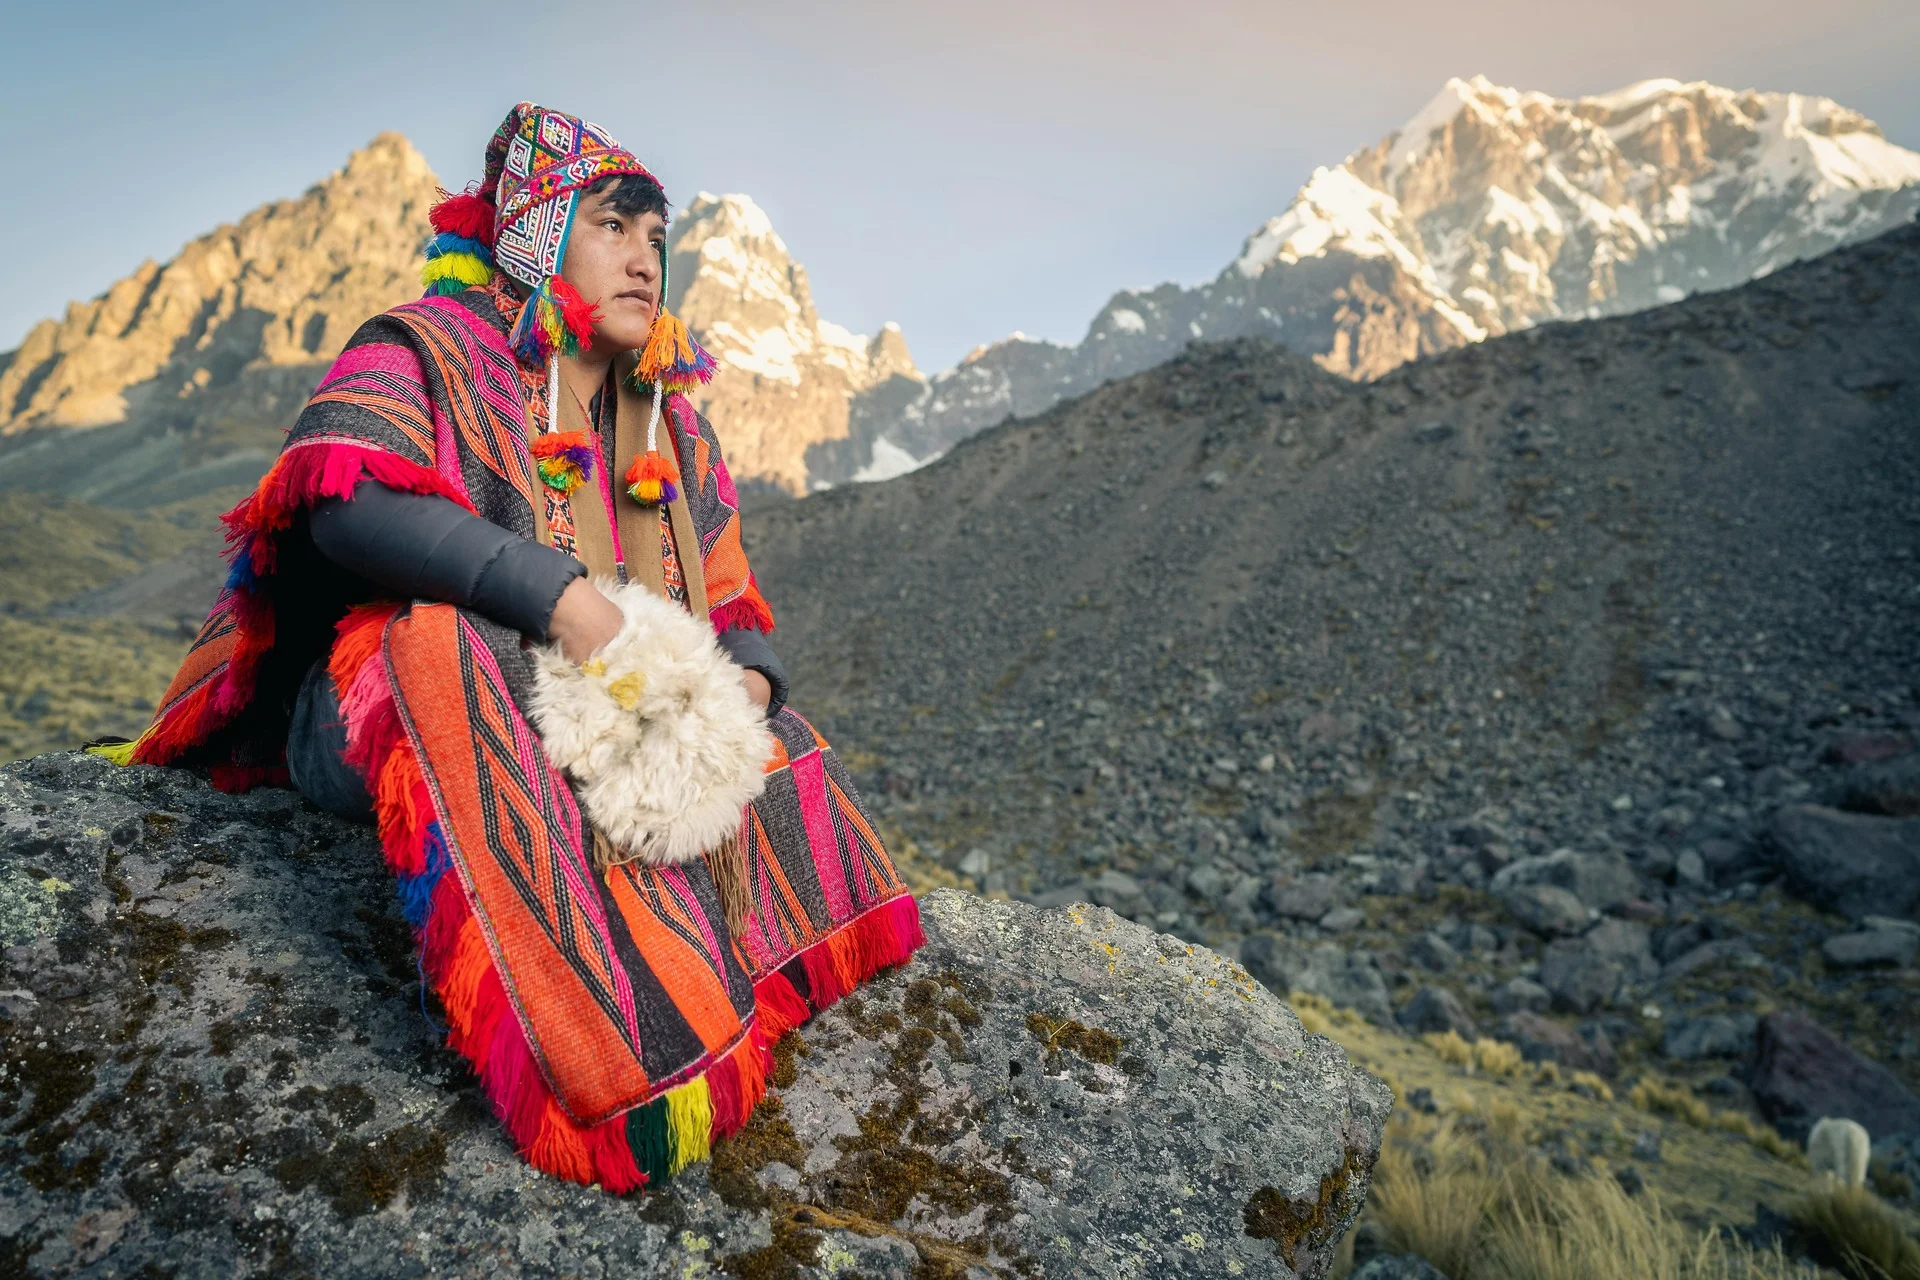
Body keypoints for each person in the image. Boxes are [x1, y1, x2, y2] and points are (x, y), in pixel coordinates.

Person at [99, 103, 923, 1192]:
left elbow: (732, 604)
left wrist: (742, 688)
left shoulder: (670, 419)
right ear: (535, 239)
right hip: (375, 708)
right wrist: (571, 604)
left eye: (657, 239)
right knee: (457, 649)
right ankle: (612, 1060)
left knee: (775, 737)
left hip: (594, 709)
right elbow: (347, 499)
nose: (646, 258)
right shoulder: (421, 345)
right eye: (614, 227)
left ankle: (744, 976)